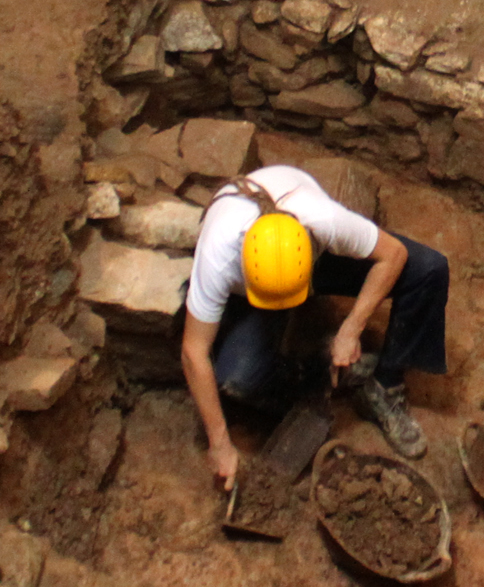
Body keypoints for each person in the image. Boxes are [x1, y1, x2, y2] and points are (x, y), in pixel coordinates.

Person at [178, 165, 448, 486]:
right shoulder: (219, 253)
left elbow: (394, 254)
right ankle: (313, 373)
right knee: (238, 379)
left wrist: (352, 328)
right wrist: (220, 443)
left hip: (303, 254)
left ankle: (384, 388)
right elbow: (194, 350)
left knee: (429, 269)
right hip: (253, 287)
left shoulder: (325, 222)